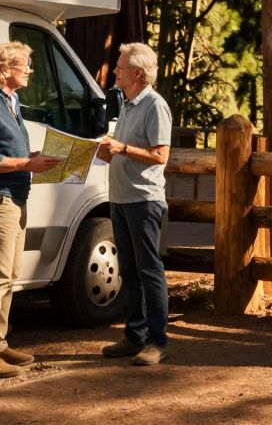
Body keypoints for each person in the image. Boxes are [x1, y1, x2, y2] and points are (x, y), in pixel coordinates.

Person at [0, 41, 61, 378]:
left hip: (14, 196)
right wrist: (28, 163)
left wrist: (34, 158)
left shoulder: (10, 102)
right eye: (25, 66)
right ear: (6, 69)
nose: (29, 71)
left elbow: (8, 151)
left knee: (9, 276)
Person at [97, 43, 173, 366]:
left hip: (144, 200)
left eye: (121, 66)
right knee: (128, 270)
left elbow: (161, 156)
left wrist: (122, 148)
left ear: (138, 73)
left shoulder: (155, 106)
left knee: (149, 271)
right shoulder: (126, 104)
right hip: (121, 199)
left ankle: (157, 341)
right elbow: (120, 150)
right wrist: (104, 151)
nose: (115, 70)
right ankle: (134, 336)